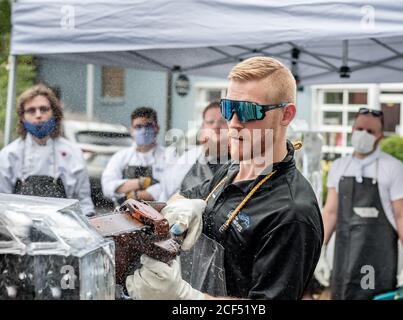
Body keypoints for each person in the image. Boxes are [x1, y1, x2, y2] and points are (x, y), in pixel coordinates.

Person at [126, 56, 323, 300]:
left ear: (286, 115)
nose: (233, 123)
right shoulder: (232, 168)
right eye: (229, 108)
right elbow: (183, 196)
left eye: (249, 111)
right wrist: (182, 207)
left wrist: (186, 297)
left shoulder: (292, 214)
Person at [314, 108, 403, 300]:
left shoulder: (393, 168)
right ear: (352, 129)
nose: (363, 134)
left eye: (370, 132)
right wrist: (321, 251)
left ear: (380, 136)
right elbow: (330, 213)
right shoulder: (339, 167)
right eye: (359, 128)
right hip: (344, 259)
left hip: (379, 260)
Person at [0, 84, 95, 216]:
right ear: (22, 117)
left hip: (65, 230)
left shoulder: (73, 153)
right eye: (31, 110)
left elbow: (84, 201)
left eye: (44, 109)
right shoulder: (9, 155)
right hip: (18, 231)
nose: (38, 115)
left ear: (54, 114)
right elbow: (2, 203)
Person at [155, 101, 229, 202]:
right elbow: (166, 195)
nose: (216, 126)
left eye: (222, 121)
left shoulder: (241, 162)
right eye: (210, 122)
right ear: (203, 127)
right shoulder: (187, 159)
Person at [101, 107, 176, 204]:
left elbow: (171, 187)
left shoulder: (169, 156)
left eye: (148, 126)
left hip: (159, 213)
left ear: (157, 129)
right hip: (124, 212)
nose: (144, 130)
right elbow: (107, 187)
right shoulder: (120, 157)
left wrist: (132, 195)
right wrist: (143, 182)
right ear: (131, 130)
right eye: (138, 126)